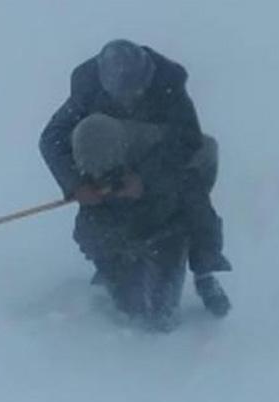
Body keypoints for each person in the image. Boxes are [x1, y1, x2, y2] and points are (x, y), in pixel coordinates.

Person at [39, 39, 231, 331]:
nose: (128, 100)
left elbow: (188, 141)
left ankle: (198, 272)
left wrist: (145, 181)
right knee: (130, 308)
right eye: (120, 94)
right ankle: (114, 262)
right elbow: (52, 139)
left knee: (158, 318)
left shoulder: (169, 85)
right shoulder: (88, 88)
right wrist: (76, 185)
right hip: (109, 185)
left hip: (164, 188)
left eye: (135, 92)